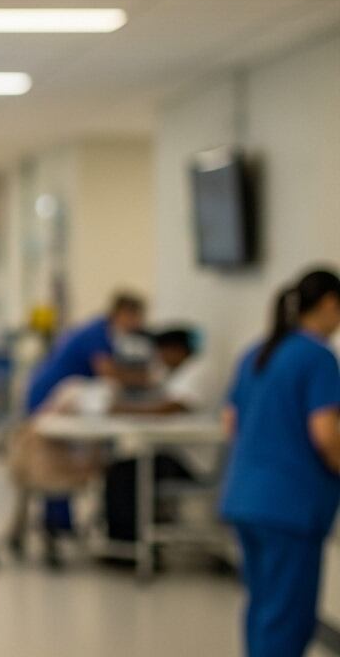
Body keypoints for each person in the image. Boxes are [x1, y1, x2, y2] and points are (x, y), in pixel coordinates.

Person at [221, 268, 340, 657]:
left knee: (263, 609)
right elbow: (325, 434)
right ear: (329, 304)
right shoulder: (318, 357)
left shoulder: (257, 353)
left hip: (245, 499)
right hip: (290, 508)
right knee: (288, 619)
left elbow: (230, 423)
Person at [23, 292, 149, 563]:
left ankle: (65, 524)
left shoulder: (106, 334)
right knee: (53, 462)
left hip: (64, 399)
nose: (139, 324)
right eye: (136, 317)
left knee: (68, 459)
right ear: (122, 313)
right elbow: (108, 372)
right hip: (50, 397)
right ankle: (56, 525)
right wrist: (146, 380)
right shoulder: (97, 334)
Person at [102, 327, 204, 545]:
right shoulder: (176, 373)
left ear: (177, 350)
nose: (160, 359)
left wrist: (125, 409)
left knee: (125, 473)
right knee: (122, 468)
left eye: (162, 352)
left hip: (191, 460)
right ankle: (124, 541)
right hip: (173, 452)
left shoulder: (199, 372)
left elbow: (170, 408)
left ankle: (130, 544)